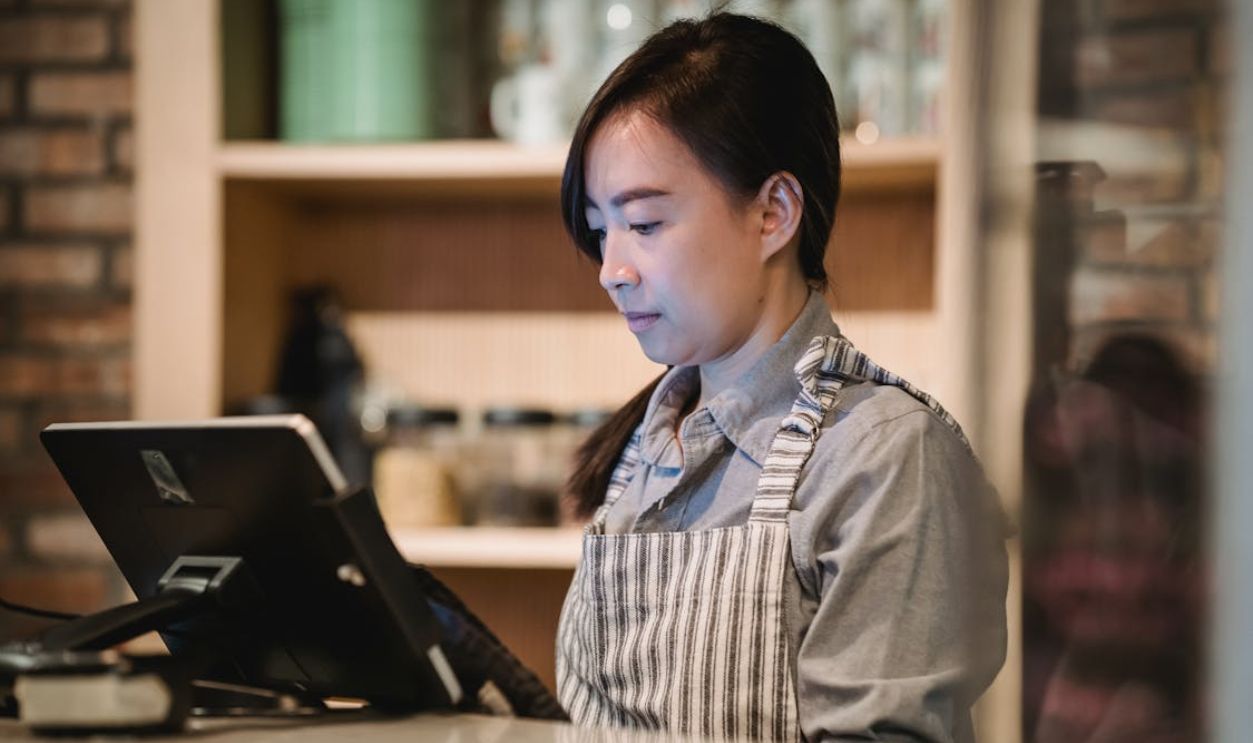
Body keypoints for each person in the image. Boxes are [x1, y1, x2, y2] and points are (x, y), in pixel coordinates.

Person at [553, 12, 1008, 743]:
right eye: (599, 229)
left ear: (772, 212)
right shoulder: (643, 448)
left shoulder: (885, 455)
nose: (612, 270)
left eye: (643, 224)